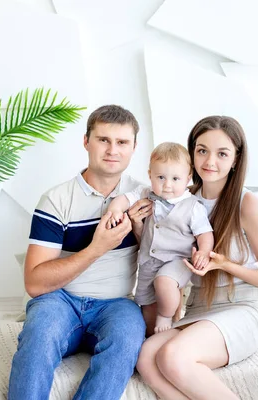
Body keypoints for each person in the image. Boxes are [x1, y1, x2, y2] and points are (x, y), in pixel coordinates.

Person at [8, 105, 153, 400]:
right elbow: (35, 284)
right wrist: (97, 248)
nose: (112, 150)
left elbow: (166, 260)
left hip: (117, 304)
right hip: (60, 300)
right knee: (40, 333)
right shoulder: (56, 200)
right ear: (86, 141)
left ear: (134, 147)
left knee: (127, 337)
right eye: (103, 140)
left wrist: (141, 232)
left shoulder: (147, 196)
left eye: (122, 142)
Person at [136, 116, 258, 399]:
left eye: (222, 153)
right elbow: (165, 258)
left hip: (242, 308)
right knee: (146, 357)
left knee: (173, 357)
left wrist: (225, 264)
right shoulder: (181, 199)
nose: (209, 161)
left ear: (236, 160)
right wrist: (137, 225)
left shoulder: (245, 202)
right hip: (199, 309)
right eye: (202, 150)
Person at [106, 142, 214, 335]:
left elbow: (204, 233)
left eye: (175, 178)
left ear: (187, 178)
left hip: (177, 261)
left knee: (165, 283)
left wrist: (204, 252)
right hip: (148, 262)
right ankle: (153, 335)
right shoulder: (145, 193)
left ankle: (167, 316)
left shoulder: (193, 207)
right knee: (146, 304)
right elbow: (124, 199)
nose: (167, 184)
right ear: (150, 175)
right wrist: (114, 209)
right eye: (161, 177)